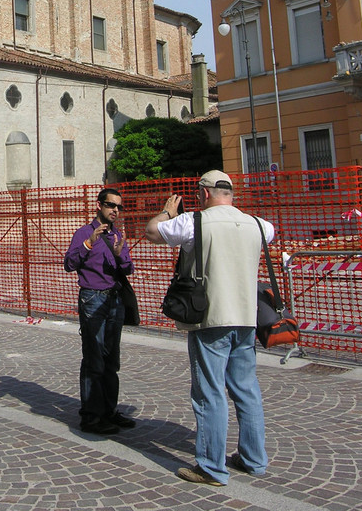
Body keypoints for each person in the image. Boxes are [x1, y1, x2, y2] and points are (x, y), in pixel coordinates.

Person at [144, 170, 274, 486]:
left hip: (210, 317)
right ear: (231, 193)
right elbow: (265, 238)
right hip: (247, 318)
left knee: (209, 392)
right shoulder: (260, 226)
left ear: (203, 194)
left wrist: (167, 211)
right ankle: (254, 459)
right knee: (246, 389)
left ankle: (212, 467)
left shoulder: (193, 223)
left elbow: (151, 232)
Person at [63, 187, 136, 435]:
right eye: (111, 205)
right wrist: (89, 243)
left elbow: (128, 269)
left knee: (111, 359)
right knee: (94, 358)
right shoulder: (84, 233)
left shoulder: (118, 235)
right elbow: (69, 264)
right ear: (99, 205)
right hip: (92, 299)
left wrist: (119, 256)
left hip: (114, 299)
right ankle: (91, 417)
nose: (115, 210)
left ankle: (109, 411)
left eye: (119, 207)